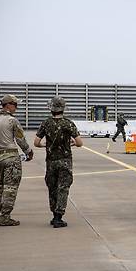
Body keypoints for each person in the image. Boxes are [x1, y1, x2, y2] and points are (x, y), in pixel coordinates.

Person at [34, 96, 83, 228]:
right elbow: (79, 143)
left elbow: (36, 143)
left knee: (52, 187)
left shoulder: (46, 123)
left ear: (51, 109)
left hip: (51, 161)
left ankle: (54, 214)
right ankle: (58, 216)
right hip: (65, 161)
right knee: (63, 188)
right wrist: (70, 143)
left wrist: (47, 145)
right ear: (63, 109)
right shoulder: (68, 123)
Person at [0, 94, 34, 226]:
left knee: (1, 186)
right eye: (15, 105)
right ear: (8, 105)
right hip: (11, 157)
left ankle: (0, 212)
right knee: (10, 188)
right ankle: (5, 217)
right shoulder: (12, 121)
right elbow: (20, 139)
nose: (16, 108)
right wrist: (28, 152)